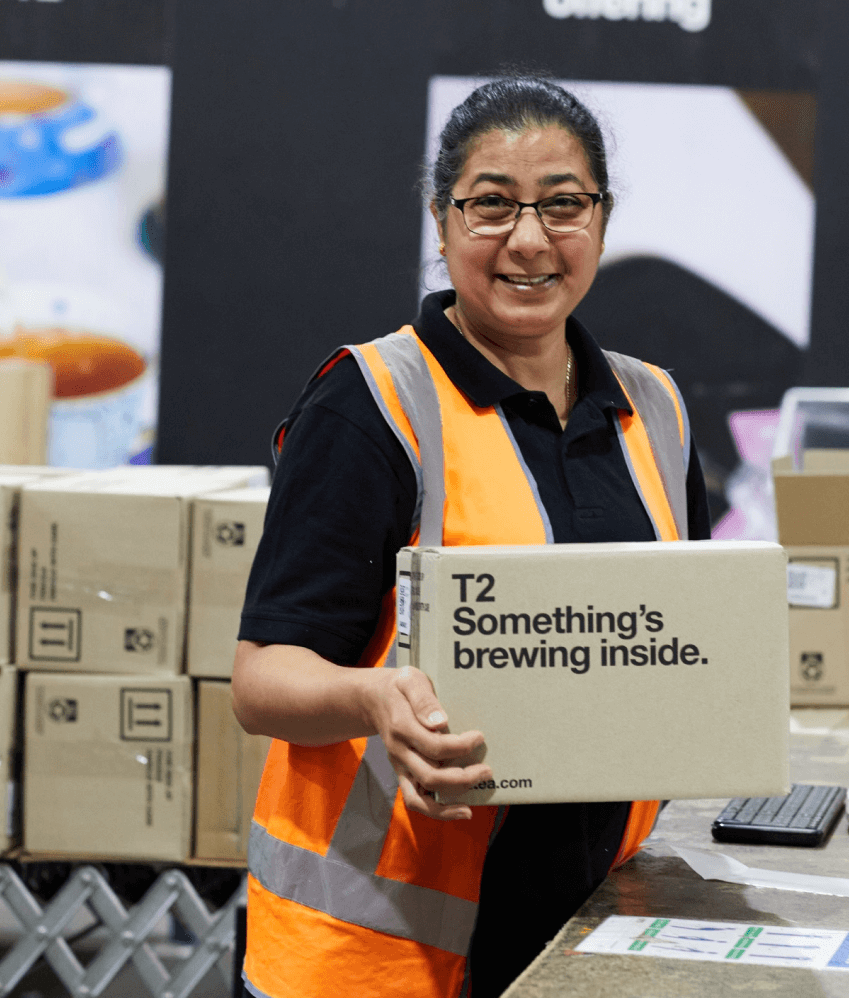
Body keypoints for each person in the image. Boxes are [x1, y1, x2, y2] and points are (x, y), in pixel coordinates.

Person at [232, 75, 710, 998]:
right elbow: (263, 677)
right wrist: (379, 700)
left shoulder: (657, 407)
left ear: (602, 222)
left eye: (563, 205)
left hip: (579, 939)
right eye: (492, 204)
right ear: (442, 221)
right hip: (374, 960)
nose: (529, 239)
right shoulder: (372, 404)